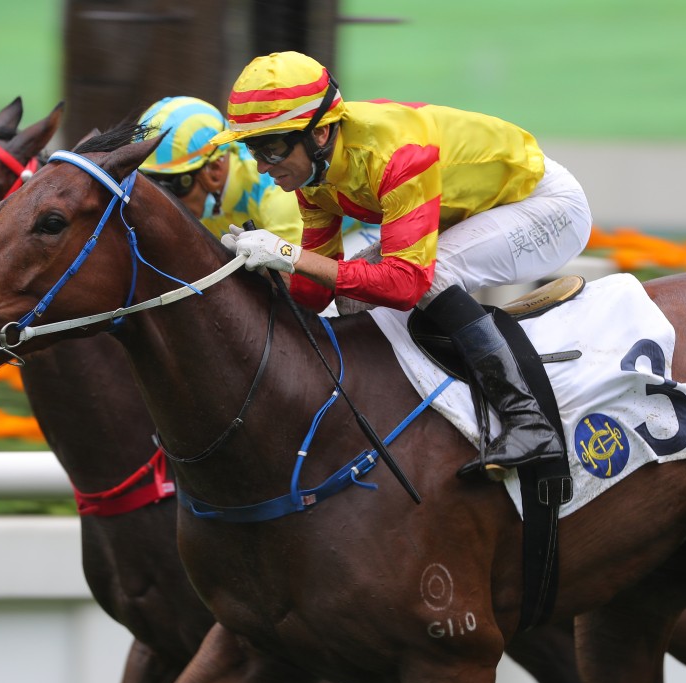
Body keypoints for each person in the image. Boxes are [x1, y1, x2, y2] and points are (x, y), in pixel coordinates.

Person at [212, 51, 593, 479]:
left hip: (545, 206)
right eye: (253, 149)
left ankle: (530, 421)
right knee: (353, 300)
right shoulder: (312, 181)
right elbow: (319, 297)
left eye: (272, 148)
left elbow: (404, 286)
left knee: (432, 276)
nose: (262, 167)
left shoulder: (395, 154)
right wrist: (267, 272)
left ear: (319, 134)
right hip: (472, 209)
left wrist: (290, 255)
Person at [137, 95, 302, 245]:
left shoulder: (277, 190)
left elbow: (299, 276)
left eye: (171, 186)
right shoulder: (202, 200)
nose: (165, 199)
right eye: (152, 182)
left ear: (214, 170)